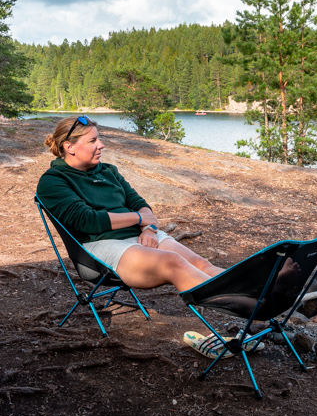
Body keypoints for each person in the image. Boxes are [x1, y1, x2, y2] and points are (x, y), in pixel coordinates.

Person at [37, 116, 224, 292]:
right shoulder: (54, 180)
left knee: (201, 264)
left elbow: (139, 203)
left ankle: (241, 298)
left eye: (99, 139)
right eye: (92, 141)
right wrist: (140, 218)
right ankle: (234, 305)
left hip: (141, 235)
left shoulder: (108, 171)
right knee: (174, 262)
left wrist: (149, 229)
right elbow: (88, 220)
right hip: (101, 247)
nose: (101, 145)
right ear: (70, 147)